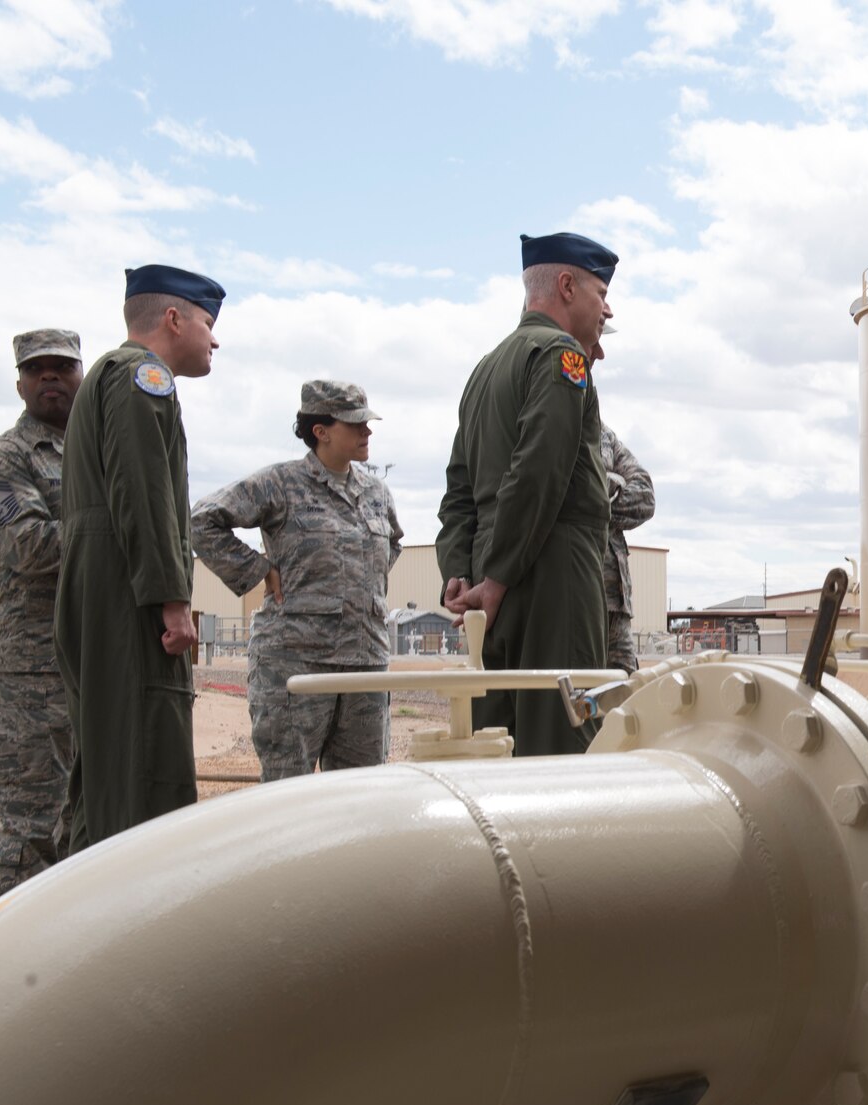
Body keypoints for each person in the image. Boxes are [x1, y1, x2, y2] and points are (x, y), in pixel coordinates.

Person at [54, 263, 225, 851]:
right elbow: (145, 495)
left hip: (99, 583)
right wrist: (172, 601)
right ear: (173, 319)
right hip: (127, 592)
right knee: (143, 759)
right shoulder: (142, 377)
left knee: (106, 763)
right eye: (208, 322)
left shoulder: (107, 374)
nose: (214, 339)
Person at [437, 231, 616, 755]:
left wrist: (462, 573)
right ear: (566, 285)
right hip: (550, 579)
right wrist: (497, 578)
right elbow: (539, 469)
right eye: (600, 293)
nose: (607, 308)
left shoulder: (485, 370)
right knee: (561, 741)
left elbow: (458, 494)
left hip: (492, 592)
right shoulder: (563, 357)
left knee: (496, 743)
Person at [191, 381, 404, 780]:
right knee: (290, 795)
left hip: (365, 666)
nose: (367, 432)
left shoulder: (377, 493)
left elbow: (393, 544)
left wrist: (357, 590)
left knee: (363, 793)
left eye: (367, 424)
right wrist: (256, 569)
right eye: (354, 424)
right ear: (320, 431)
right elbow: (202, 522)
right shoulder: (280, 484)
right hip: (295, 665)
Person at [0, 328, 82, 894]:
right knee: (33, 831)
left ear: (81, 377)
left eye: (62, 366)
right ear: (20, 384)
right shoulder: (3, 460)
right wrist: (115, 534)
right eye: (38, 370)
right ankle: (18, 969)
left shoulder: (100, 448)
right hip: (27, 671)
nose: (51, 378)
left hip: (89, 663)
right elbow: (31, 547)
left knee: (84, 826)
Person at [589, 333, 655, 673]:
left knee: (627, 701)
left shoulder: (604, 435)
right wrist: (608, 486)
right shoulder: (557, 429)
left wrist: (603, 499)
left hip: (616, 606)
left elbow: (645, 496)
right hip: (576, 600)